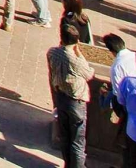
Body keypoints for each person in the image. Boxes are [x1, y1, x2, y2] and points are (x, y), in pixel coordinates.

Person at [47, 22, 95, 168]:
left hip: (61, 97)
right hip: (76, 102)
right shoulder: (75, 60)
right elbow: (89, 74)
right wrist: (79, 53)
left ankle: (68, 164)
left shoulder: (52, 52)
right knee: (77, 142)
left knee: (65, 136)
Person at [103, 34, 136, 124]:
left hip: (129, 102)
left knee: (105, 97)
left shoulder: (116, 66)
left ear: (112, 51)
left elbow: (118, 94)